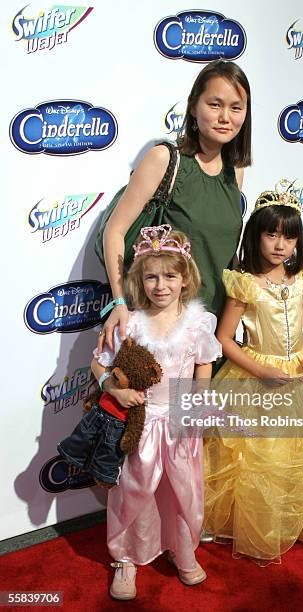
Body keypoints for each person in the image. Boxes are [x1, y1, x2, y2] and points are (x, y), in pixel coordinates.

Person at [203, 187, 303, 565]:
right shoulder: (244, 284)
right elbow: (224, 339)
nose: (280, 245)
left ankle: (299, 513)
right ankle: (260, 521)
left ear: (298, 240)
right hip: (258, 376)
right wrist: (262, 369)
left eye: (288, 236)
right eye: (271, 234)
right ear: (256, 234)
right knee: (262, 457)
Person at [93, 225, 222, 599]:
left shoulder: (199, 322)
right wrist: (114, 389)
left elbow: (203, 365)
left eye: (170, 275)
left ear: (186, 279)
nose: (160, 285)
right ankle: (125, 558)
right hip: (140, 424)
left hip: (180, 420)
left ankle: (182, 551)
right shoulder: (128, 324)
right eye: (151, 276)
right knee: (134, 492)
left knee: (182, 492)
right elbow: (98, 366)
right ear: (139, 280)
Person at [98, 59, 252, 354]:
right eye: (215, 104)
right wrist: (119, 302)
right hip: (162, 329)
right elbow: (115, 231)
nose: (225, 117)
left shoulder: (236, 171)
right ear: (194, 107)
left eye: (236, 108)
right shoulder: (165, 159)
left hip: (211, 330)